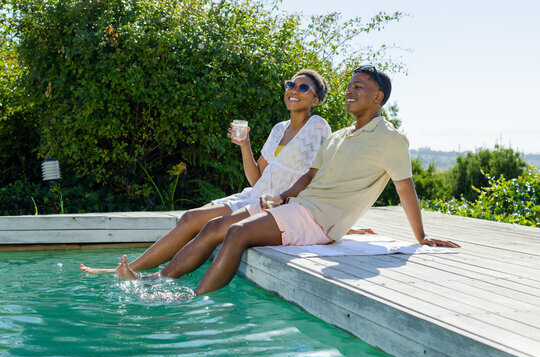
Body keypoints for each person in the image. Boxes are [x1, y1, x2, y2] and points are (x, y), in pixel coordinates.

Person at [113, 65, 460, 293]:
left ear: (378, 97)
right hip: (296, 206)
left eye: (359, 87)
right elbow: (308, 178)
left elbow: (404, 188)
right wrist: (282, 197)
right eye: (349, 86)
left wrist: (421, 236)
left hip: (318, 220)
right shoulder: (339, 136)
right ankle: (153, 281)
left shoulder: (390, 138)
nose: (350, 91)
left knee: (235, 234)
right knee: (212, 227)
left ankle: (193, 298)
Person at [80, 69, 332, 274]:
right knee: (189, 218)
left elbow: (312, 175)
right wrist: (245, 145)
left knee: (202, 224)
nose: (293, 90)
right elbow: (256, 177)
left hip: (277, 204)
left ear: (316, 100)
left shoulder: (318, 126)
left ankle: (135, 272)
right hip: (256, 194)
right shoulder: (278, 129)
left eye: (303, 88)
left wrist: (284, 197)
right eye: (290, 84)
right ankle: (132, 268)